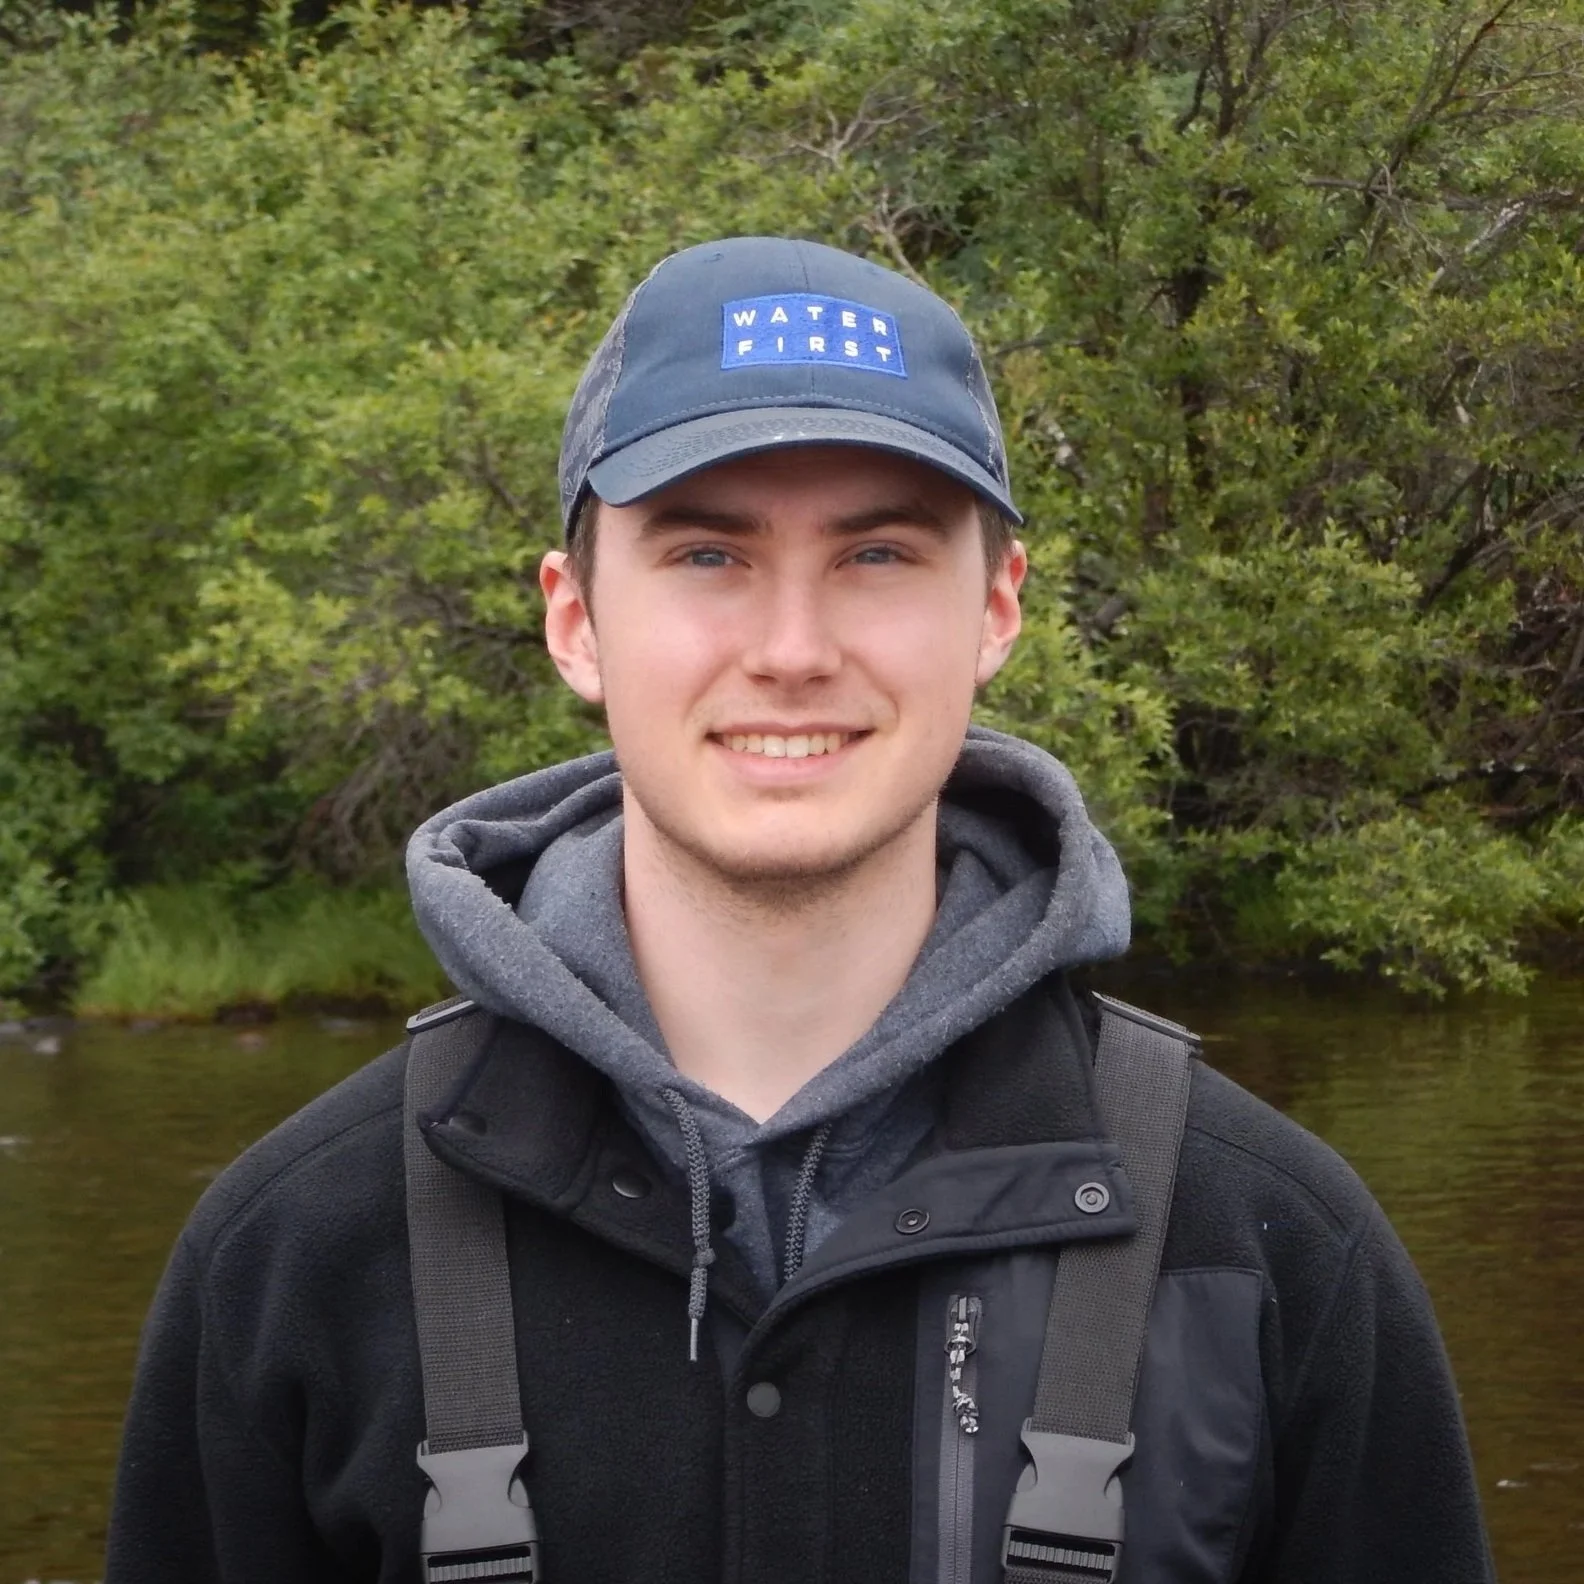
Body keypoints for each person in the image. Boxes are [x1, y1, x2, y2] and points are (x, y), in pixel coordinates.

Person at [105, 236, 1494, 1584]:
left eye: (877, 555)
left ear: (996, 609)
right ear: (576, 618)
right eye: (708, 556)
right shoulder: (294, 1255)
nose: (791, 651)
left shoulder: (1273, 1249)